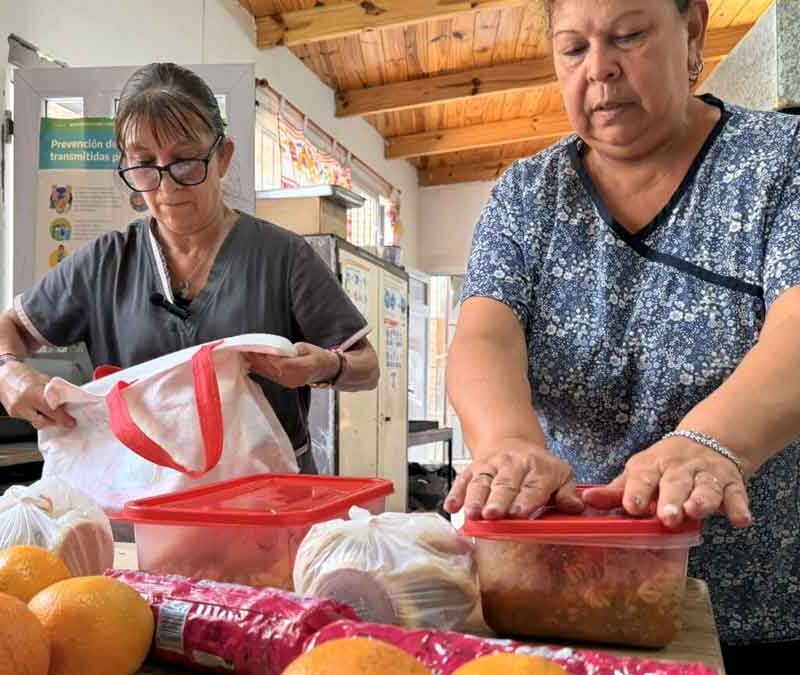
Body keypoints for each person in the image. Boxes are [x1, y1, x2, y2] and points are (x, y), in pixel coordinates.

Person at [444, 0, 799, 669]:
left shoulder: (782, 163)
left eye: (628, 36)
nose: (599, 71)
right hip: (566, 603)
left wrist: (707, 440)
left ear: (691, 30)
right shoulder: (528, 195)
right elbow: (484, 335)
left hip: (759, 615)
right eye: (573, 49)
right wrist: (509, 441)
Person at [0, 62, 379, 475]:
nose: (167, 186)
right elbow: (14, 327)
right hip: (143, 498)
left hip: (267, 502)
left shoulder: (282, 257)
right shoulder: (106, 263)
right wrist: (9, 371)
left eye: (185, 160)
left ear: (222, 156)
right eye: (145, 164)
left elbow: (367, 364)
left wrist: (325, 365)